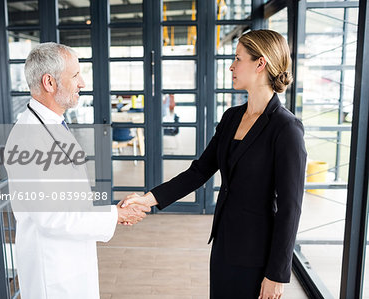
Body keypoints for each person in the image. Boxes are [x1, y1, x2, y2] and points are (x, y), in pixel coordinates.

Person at [121, 30, 307, 299]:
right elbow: (199, 171)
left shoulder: (286, 128)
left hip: (258, 256)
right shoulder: (232, 117)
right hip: (224, 245)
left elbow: (291, 208)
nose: (232, 66)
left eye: (238, 58)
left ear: (260, 63)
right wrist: (146, 199)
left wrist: (276, 274)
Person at [4, 42, 150, 299]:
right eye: (75, 75)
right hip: (53, 270)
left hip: (71, 257)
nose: (82, 82)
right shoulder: (29, 139)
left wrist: (113, 213)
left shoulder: (53, 123)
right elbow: (52, 218)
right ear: (49, 82)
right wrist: (113, 215)